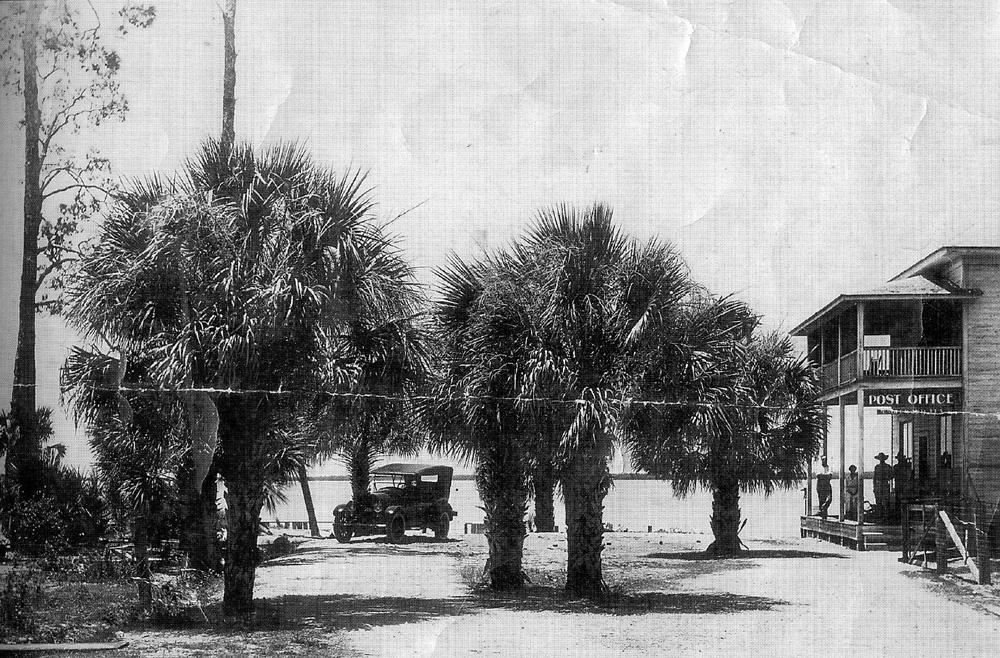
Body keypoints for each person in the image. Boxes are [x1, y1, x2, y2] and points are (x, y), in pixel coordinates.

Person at [873, 452, 891, 522]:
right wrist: (874, 487)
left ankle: (886, 517)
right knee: (878, 501)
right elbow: (874, 478)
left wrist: (886, 477)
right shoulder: (877, 467)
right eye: (880, 459)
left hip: (885, 484)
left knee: (886, 501)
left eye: (882, 459)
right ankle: (879, 516)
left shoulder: (888, 467)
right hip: (878, 485)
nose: (881, 460)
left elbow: (891, 476)